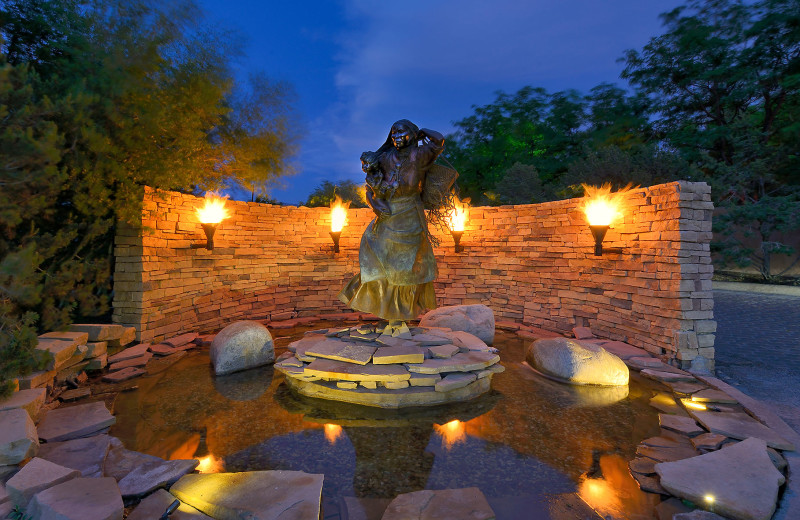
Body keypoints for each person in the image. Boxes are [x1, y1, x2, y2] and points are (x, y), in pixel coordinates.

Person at [339, 119, 445, 334]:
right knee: (377, 253)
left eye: (402, 132)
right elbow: (371, 183)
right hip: (389, 212)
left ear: (412, 135)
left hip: (411, 213)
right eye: (393, 132)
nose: (396, 136)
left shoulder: (420, 155)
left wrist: (423, 131)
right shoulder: (385, 157)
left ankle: (400, 316)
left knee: (406, 267)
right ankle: (388, 312)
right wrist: (374, 202)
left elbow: (439, 141)